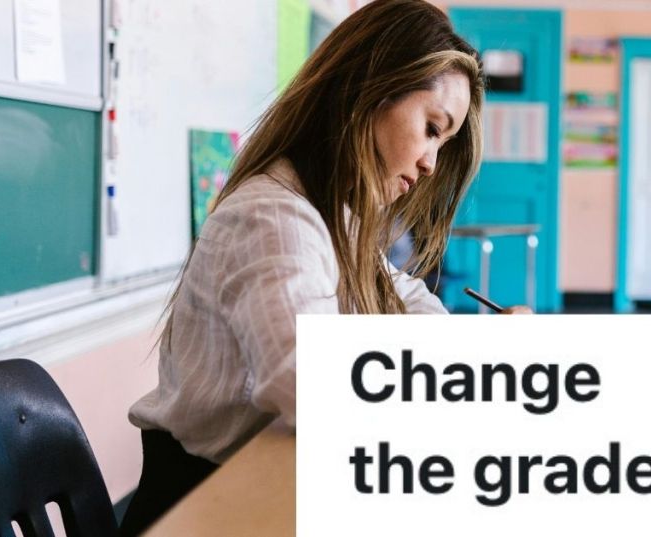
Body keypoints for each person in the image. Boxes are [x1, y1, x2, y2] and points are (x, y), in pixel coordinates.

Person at [119, 1, 530, 533]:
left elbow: (405, 301)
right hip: (204, 510)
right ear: (371, 89)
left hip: (257, 490)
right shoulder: (274, 217)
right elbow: (313, 386)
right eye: (432, 128)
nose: (431, 163)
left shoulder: (333, 216)